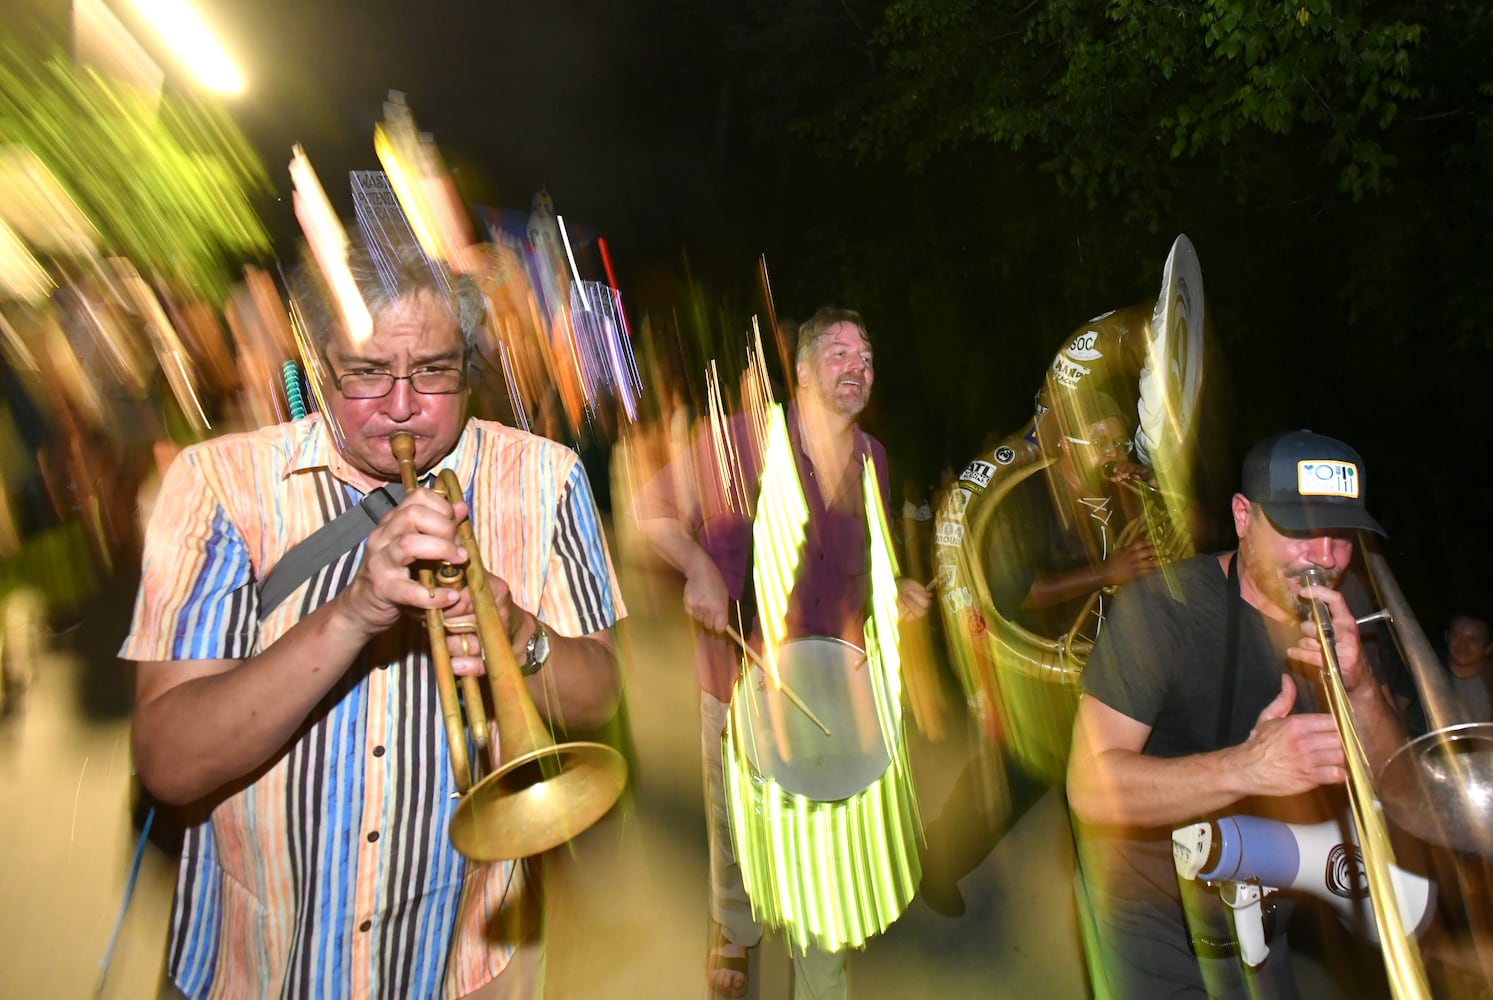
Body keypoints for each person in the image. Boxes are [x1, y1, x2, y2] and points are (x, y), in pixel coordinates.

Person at [121, 247, 624, 999]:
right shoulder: (216, 482)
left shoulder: (548, 479)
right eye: (364, 372)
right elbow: (168, 761)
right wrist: (354, 612)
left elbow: (599, 698)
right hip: (256, 960)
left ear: (468, 367)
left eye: (432, 371)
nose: (399, 405)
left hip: (460, 960)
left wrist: (516, 633)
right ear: (320, 369)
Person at [634, 307, 931, 999]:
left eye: (865, 356)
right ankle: (732, 927)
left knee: (817, 859)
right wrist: (699, 569)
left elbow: (863, 571)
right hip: (738, 677)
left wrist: (897, 592)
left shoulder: (873, 460)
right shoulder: (739, 442)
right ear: (800, 370)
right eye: (838, 352)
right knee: (733, 822)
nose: (856, 365)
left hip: (827, 690)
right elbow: (652, 511)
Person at [1066, 430, 1407, 998]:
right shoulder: (1162, 609)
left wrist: (1364, 688)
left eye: (1341, 535)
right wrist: (1247, 768)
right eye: (1300, 530)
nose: (1325, 558)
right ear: (1243, 517)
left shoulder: (1358, 613)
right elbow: (1088, 789)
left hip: (1268, 891)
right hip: (1146, 897)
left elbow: (1399, 784)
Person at [919, 387, 1167, 916]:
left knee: (1099, 797)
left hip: (1094, 672)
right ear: (1070, 442)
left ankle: (1114, 919)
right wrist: (1108, 572)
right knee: (1007, 786)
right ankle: (936, 860)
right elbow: (1017, 589)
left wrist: (1152, 499)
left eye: (1120, 440)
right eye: (1101, 439)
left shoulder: (1113, 493)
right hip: (1033, 672)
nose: (1114, 451)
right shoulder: (1029, 496)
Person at [1443, 612, 1493, 723]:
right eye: (1456, 635)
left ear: (1488, 647)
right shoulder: (1424, 669)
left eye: (1473, 640)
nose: (1462, 645)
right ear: (1446, 636)